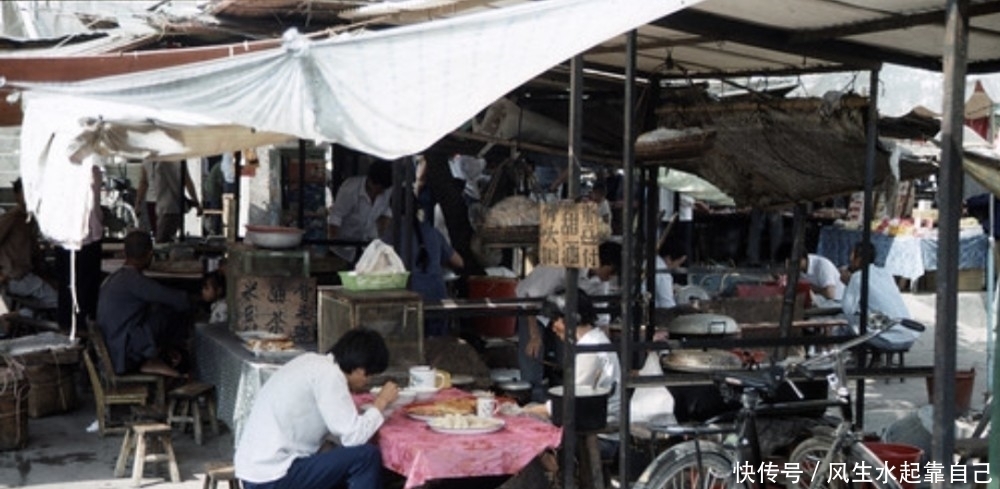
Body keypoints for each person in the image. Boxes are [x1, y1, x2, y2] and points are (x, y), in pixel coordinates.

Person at [234, 328, 399, 489]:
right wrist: (381, 402)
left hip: (254, 470)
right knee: (366, 457)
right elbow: (353, 438)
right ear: (359, 370)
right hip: (273, 475)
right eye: (369, 377)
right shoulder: (330, 376)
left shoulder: (311, 362)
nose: (367, 383)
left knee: (342, 460)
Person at [516, 241, 621, 402]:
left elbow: (601, 317)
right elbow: (530, 298)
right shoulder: (561, 266)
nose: (611, 277)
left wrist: (604, 346)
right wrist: (534, 335)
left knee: (566, 361)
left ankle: (558, 397)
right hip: (533, 309)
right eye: (611, 271)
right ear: (602, 262)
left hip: (568, 318)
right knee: (533, 359)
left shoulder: (601, 281)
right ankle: (533, 398)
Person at [96, 230, 192, 377]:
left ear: (124, 252)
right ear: (149, 254)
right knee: (169, 311)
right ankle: (166, 358)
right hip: (122, 354)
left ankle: (163, 353)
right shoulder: (133, 281)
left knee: (156, 311)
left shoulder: (115, 278)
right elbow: (178, 300)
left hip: (114, 347)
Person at [383, 213, 464, 337]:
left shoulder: (393, 233)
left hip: (409, 298)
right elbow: (458, 262)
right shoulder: (433, 231)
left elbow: (380, 262)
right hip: (437, 297)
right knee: (437, 345)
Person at [840, 242, 918, 351]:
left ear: (858, 259)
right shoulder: (885, 273)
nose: (850, 260)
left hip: (890, 339)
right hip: (910, 335)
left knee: (847, 326)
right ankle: (875, 359)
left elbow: (848, 309)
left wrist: (848, 284)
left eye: (852, 256)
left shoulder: (858, 277)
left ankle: (857, 359)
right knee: (872, 318)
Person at [0, 178, 58, 314]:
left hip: (25, 274)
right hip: (15, 277)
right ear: (17, 195)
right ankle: (13, 317)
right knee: (58, 301)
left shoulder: (29, 219)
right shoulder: (12, 218)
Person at [56, 166, 103, 329]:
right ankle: (80, 328)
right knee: (83, 290)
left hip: (71, 237)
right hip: (81, 238)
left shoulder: (59, 172)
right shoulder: (91, 172)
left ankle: (74, 328)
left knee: (72, 289)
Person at [328, 160, 393, 267]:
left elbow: (385, 216)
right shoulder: (350, 189)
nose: (381, 192)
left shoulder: (388, 190)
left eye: (383, 189)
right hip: (345, 247)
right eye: (379, 188)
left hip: (369, 246)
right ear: (370, 181)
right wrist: (332, 245)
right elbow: (336, 217)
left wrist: (383, 242)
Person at [136, 160, 202, 243]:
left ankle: (160, 253)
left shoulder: (147, 160)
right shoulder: (175, 159)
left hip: (156, 201)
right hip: (168, 203)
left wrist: (138, 204)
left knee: (159, 236)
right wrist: (196, 201)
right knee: (164, 238)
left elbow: (143, 182)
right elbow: (186, 180)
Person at [777, 243, 844, 308]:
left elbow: (830, 294)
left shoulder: (822, 265)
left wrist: (809, 288)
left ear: (801, 259)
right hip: (819, 302)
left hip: (836, 304)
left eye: (790, 264)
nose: (788, 268)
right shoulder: (798, 270)